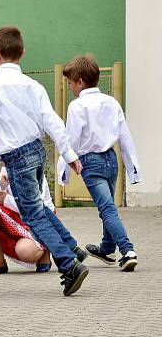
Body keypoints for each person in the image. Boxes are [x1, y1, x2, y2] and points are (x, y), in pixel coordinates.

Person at [0, 26, 89, 296]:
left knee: (32, 214)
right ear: (22, 53)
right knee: (38, 207)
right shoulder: (33, 85)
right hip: (38, 151)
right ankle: (71, 245)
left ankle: (67, 263)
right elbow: (52, 120)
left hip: (16, 155)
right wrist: (69, 154)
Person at [58, 54, 141, 271]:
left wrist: (63, 170)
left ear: (80, 82)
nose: (70, 88)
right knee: (108, 207)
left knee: (107, 209)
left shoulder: (77, 106)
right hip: (111, 161)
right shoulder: (112, 102)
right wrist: (133, 170)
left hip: (90, 164)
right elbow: (125, 137)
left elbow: (70, 141)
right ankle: (106, 248)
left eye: (70, 83)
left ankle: (128, 250)